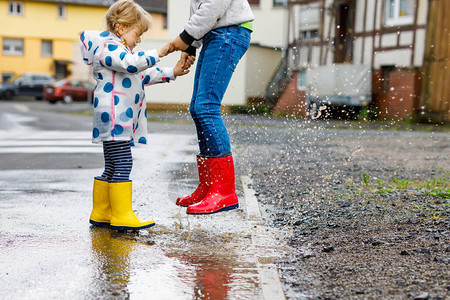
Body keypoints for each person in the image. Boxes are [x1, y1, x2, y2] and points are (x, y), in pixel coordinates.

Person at [80, 0, 191, 230]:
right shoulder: (108, 48)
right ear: (121, 28)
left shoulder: (120, 52)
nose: (139, 40)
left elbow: (141, 74)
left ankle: (102, 212)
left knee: (112, 165)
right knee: (122, 163)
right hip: (114, 118)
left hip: (116, 119)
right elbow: (132, 65)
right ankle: (122, 215)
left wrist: (172, 72)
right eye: (137, 34)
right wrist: (161, 51)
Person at [169, 1, 254, 214]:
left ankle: (224, 192)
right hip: (214, 34)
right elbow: (199, 8)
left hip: (229, 32)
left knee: (207, 108)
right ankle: (209, 186)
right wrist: (190, 46)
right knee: (198, 108)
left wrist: (186, 37)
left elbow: (215, 4)